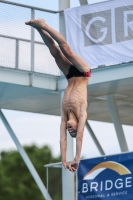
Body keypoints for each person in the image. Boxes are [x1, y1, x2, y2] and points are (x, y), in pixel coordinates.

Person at [25, 19, 91, 172]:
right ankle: (45, 25)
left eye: (70, 132)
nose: (70, 131)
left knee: (55, 53)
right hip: (83, 73)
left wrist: (63, 161)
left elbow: (62, 140)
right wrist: (76, 158)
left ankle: (39, 28)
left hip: (69, 76)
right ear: (78, 126)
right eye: (73, 130)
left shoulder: (64, 118)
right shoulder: (82, 114)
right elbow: (80, 136)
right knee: (66, 50)